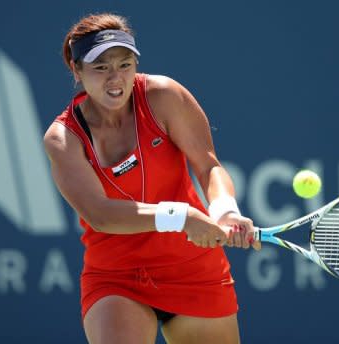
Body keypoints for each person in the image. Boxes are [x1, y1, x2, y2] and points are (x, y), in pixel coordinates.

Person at [44, 12, 260, 344]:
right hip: (117, 277)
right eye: (101, 67)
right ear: (76, 70)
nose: (115, 78)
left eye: (124, 64)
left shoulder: (164, 96)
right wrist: (182, 217)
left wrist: (225, 210)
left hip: (193, 268)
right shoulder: (63, 138)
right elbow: (99, 214)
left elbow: (208, 166)